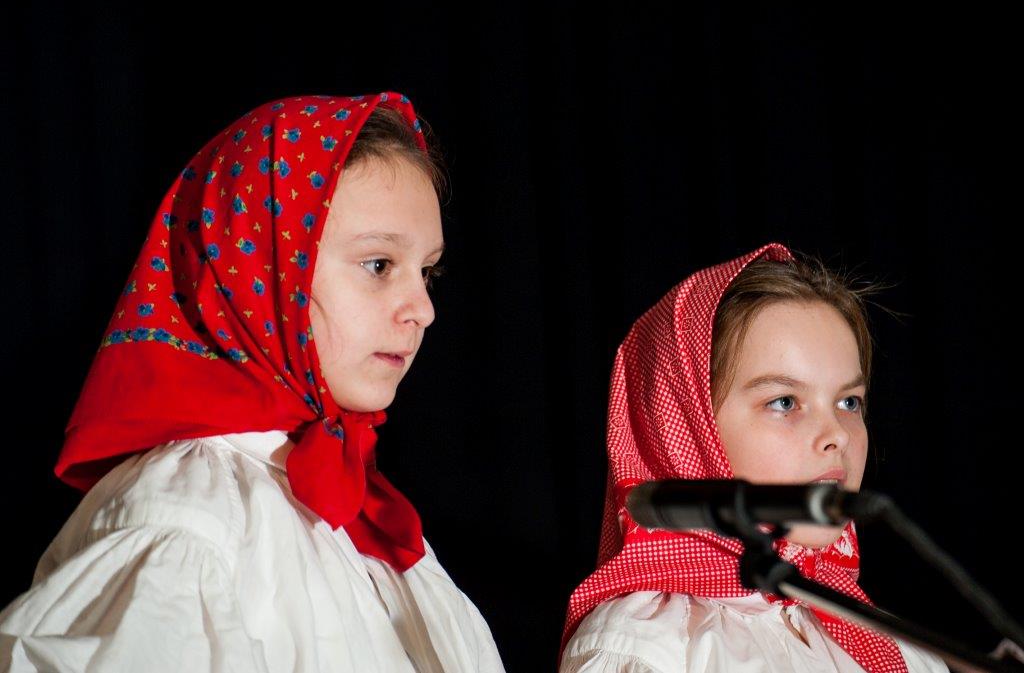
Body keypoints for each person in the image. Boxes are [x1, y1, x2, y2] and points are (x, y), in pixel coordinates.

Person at [0, 92, 505, 672]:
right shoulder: (189, 523)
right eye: (379, 265)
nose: (423, 309)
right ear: (262, 268)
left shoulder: (367, 521)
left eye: (427, 271)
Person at [558, 243, 949, 672]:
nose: (838, 435)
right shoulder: (645, 648)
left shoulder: (897, 645)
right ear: (687, 429)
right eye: (784, 402)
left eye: (849, 402)